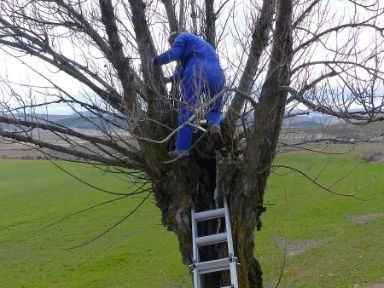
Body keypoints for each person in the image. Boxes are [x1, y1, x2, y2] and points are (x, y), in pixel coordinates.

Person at [153, 32, 226, 158]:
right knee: (215, 109)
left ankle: (182, 152)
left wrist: (154, 61)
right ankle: (215, 128)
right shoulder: (202, 45)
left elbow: (173, 53)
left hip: (197, 72)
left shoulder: (182, 37)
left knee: (187, 112)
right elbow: (183, 69)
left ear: (174, 40)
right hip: (218, 74)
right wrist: (170, 79)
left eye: (173, 43)